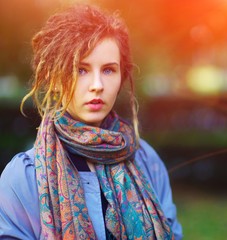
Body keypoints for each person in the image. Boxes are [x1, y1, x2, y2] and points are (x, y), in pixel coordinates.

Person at [0, 4, 182, 240]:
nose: (97, 85)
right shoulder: (24, 177)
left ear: (121, 77)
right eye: (81, 70)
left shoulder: (146, 161)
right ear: (54, 78)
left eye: (108, 70)